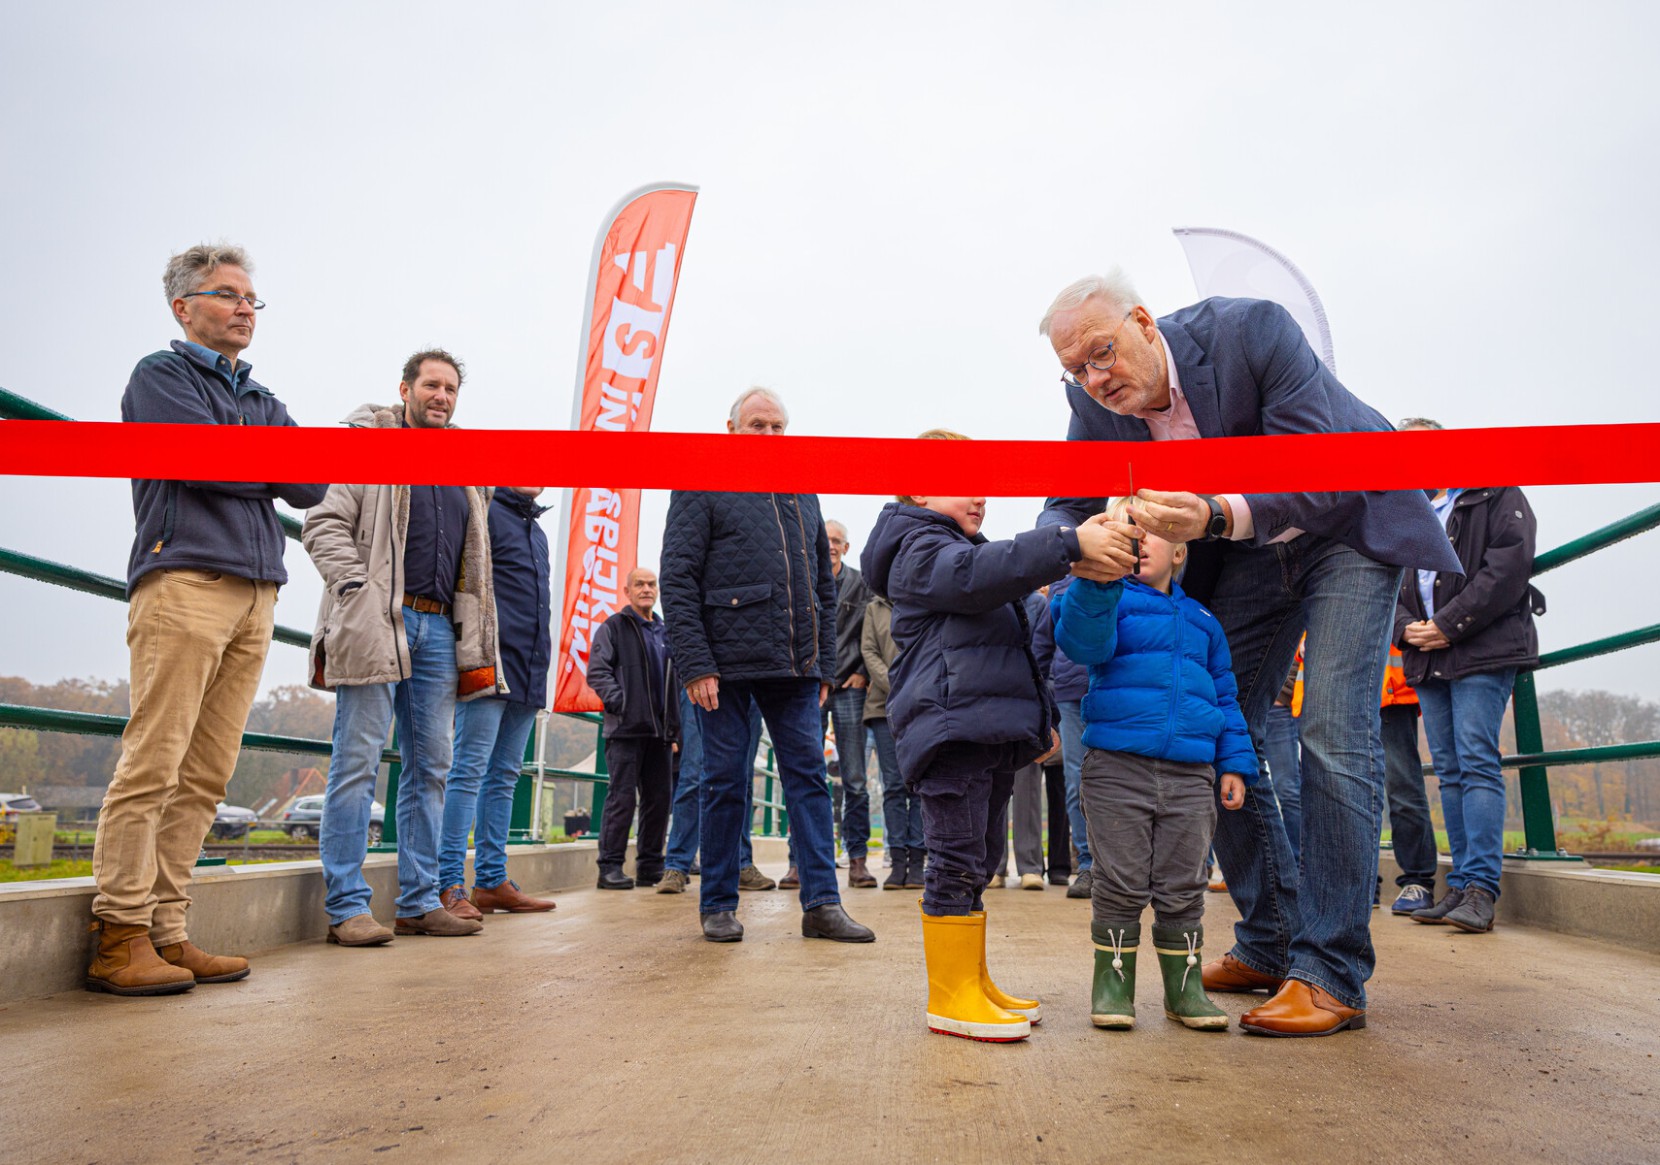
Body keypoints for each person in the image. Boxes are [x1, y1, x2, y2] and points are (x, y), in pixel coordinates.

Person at [1038, 270, 1460, 1037]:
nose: (1095, 380)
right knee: (1205, 722)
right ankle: (1268, 938)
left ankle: (1331, 971)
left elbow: (1320, 473)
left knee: (1331, 733)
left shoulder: (1253, 330)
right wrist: (1071, 548)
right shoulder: (1089, 408)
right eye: (1076, 369)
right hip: (1246, 557)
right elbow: (1067, 498)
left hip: (1348, 529)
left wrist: (1214, 511)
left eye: (1102, 354)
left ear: (1142, 321)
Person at [87, 243, 328, 995]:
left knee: (207, 772)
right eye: (227, 294)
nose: (245, 307)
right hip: (186, 577)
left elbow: (310, 480)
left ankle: (166, 928)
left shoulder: (258, 397)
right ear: (183, 308)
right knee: (154, 759)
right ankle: (118, 931)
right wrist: (259, 462)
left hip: (257, 592)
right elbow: (206, 464)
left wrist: (248, 457)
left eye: (252, 297)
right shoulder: (159, 376)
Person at [861, 427, 1134, 1042]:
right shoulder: (918, 546)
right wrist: (1065, 541)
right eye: (964, 481)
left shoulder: (961, 548)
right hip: (951, 729)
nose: (980, 496)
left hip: (984, 729)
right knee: (955, 859)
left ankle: (973, 979)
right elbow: (975, 573)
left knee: (981, 857)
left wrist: (1033, 726)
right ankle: (950, 995)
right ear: (918, 490)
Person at [660, 387, 873, 944]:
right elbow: (677, 579)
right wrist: (695, 664)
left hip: (796, 669)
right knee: (724, 782)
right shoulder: (700, 480)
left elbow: (823, 588)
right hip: (723, 667)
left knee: (808, 782)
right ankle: (718, 904)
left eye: (779, 426)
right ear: (731, 428)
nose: (770, 436)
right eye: (758, 425)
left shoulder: (802, 489)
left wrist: (823, 666)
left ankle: (822, 904)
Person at [304, 349, 502, 946]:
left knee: (431, 769)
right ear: (406, 389)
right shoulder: (368, 444)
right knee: (357, 763)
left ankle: (417, 900)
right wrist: (356, 590)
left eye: (451, 388)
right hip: (375, 623)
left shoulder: (467, 467)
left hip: (441, 629)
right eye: (431, 385)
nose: (441, 396)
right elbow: (323, 523)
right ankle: (346, 907)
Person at [1052, 498, 1258, 1031]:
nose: (1140, 539)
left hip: (1192, 774)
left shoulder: (1204, 621)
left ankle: (1183, 991)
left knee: (1183, 883)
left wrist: (1234, 761)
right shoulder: (1106, 599)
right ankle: (1113, 984)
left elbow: (1225, 697)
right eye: (1129, 529)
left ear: (1182, 550)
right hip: (1117, 768)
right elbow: (1081, 643)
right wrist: (1096, 579)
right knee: (1119, 880)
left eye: (1154, 530)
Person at [1394, 418, 1543, 934]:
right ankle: (1459, 886)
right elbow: (1388, 578)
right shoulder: (1409, 507)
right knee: (1451, 768)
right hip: (1428, 656)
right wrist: (1406, 630)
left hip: (1481, 647)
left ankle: (1481, 887)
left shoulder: (1495, 489)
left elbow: (1508, 566)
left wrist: (1447, 625)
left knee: (1476, 761)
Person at [437, 486, 557, 918]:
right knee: (468, 770)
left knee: (505, 775)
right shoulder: (484, 511)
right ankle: (447, 883)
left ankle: (491, 879)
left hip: (530, 667)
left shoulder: (538, 530)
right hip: (489, 661)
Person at [587, 568, 680, 890]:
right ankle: (609, 867)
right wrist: (621, 703)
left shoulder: (666, 632)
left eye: (651, 584)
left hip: (661, 733)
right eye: (639, 584)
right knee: (621, 800)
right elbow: (597, 672)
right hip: (626, 729)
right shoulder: (613, 627)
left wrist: (676, 729)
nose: (646, 589)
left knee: (659, 800)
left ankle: (650, 866)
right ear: (627, 591)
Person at [658, 691, 772, 894]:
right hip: (703, 677)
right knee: (692, 776)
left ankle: (741, 863)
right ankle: (676, 865)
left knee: (742, 778)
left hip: (752, 681)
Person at [1033, 576, 1095, 899]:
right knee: (1076, 781)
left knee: (1121, 781)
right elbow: (1042, 646)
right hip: (1070, 696)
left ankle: (1125, 867)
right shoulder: (1058, 587)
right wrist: (1038, 704)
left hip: (1114, 690)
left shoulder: (1122, 571)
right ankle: (1087, 864)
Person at [824, 520, 877, 887]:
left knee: (855, 779)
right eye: (824, 539)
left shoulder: (862, 584)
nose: (830, 545)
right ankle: (800, 861)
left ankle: (858, 859)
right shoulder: (803, 578)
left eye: (836, 541)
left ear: (846, 547)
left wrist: (862, 671)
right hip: (810, 685)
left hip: (849, 686)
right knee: (805, 776)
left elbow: (869, 632)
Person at [862, 593, 924, 892]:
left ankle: (918, 864)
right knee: (894, 786)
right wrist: (897, 683)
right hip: (882, 706)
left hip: (923, 706)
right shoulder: (873, 608)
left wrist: (914, 687)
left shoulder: (924, 599)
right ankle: (897, 861)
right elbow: (869, 650)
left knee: (920, 784)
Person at [1380, 643, 1437, 915]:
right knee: (1347, 794)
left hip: (1389, 693)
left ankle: (1418, 880)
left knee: (1402, 786)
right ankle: (1362, 883)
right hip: (1340, 697)